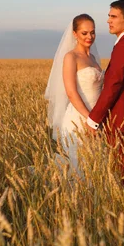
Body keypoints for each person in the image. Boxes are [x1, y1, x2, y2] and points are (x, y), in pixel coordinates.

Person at [85, 0, 124, 186]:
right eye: (108, 16)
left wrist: (94, 119)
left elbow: (113, 86)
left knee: (122, 174)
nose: (108, 21)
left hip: (122, 119)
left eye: (113, 16)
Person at [45, 14, 103, 177]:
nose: (89, 37)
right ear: (75, 34)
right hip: (78, 120)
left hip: (96, 119)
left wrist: (98, 118)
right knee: (80, 169)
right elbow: (71, 92)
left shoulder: (92, 58)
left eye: (92, 32)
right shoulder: (71, 57)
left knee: (95, 166)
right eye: (84, 33)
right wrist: (90, 119)